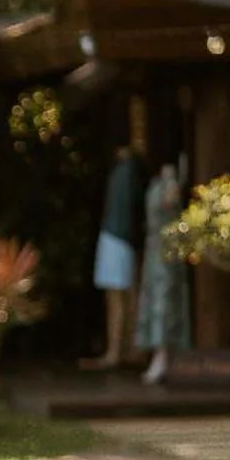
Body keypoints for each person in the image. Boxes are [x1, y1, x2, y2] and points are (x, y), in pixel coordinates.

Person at [82, 145, 142, 372]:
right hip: (117, 237)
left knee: (119, 296)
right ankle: (123, 350)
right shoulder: (127, 173)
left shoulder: (126, 172)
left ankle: (119, 351)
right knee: (123, 295)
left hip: (117, 237)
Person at [135, 160, 192, 384]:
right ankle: (159, 355)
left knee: (165, 300)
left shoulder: (169, 183)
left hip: (166, 250)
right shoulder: (156, 183)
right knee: (155, 299)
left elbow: (171, 202)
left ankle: (164, 355)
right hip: (155, 249)